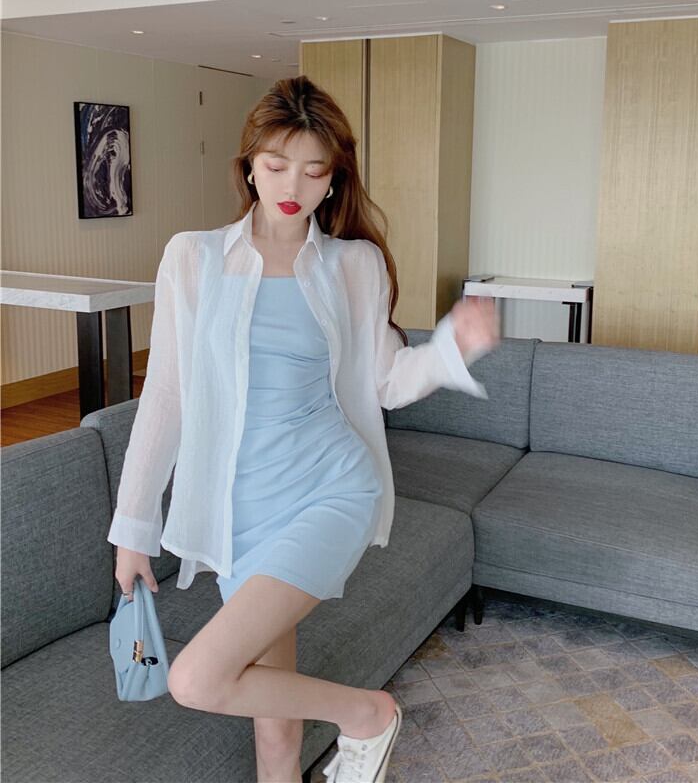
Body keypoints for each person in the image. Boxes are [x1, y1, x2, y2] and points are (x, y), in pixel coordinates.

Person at [111, 75, 499, 783]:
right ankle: (354, 722)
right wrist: (133, 529)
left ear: (334, 179)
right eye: (277, 164)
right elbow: (165, 394)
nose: (293, 185)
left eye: (315, 170)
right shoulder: (193, 258)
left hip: (327, 491)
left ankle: (367, 714)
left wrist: (452, 348)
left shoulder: (353, 264)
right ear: (249, 166)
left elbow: (387, 381)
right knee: (275, 735)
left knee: (196, 678)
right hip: (240, 515)